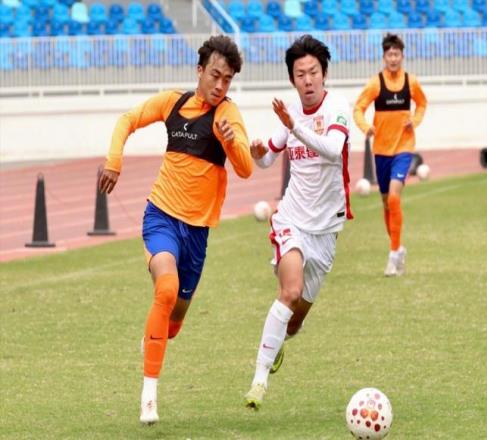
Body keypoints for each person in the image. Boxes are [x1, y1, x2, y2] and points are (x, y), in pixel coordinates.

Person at [98, 35, 253, 424]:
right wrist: (114, 161)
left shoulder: (228, 115)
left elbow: (246, 168)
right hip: (161, 217)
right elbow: (127, 120)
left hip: (197, 233)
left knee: (173, 323)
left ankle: (153, 339)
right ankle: (149, 395)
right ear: (200, 71)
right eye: (215, 75)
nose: (220, 85)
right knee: (165, 288)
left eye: (228, 79)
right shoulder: (173, 102)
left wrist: (231, 144)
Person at [244, 35, 353, 410]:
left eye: (313, 72)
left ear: (324, 74)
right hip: (291, 218)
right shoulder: (289, 113)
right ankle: (258, 381)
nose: (307, 80)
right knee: (288, 292)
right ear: (292, 79)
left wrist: (295, 126)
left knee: (293, 321)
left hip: (326, 229)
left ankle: (279, 341)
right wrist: (258, 153)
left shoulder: (337, 107)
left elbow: (333, 149)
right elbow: (266, 161)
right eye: (300, 74)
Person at [353, 33, 427, 277]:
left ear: (402, 56)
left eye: (397, 54)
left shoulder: (411, 82)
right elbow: (358, 109)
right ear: (384, 57)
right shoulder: (376, 83)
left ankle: (393, 255)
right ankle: (398, 247)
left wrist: (414, 120)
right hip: (381, 150)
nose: (393, 58)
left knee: (394, 197)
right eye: (389, 54)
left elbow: (422, 104)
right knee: (386, 202)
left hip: (404, 148)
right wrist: (366, 127)